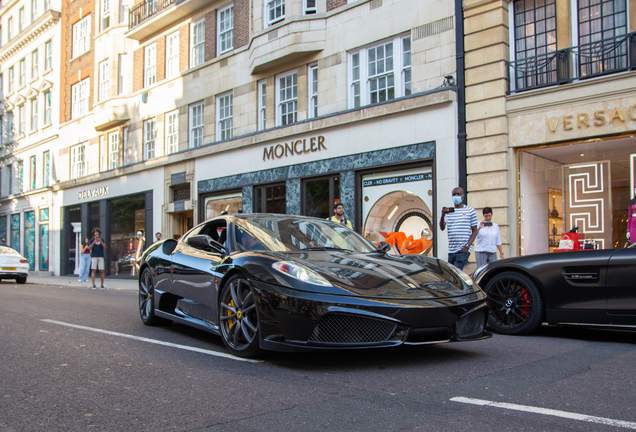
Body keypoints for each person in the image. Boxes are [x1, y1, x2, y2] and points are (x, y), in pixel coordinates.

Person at [440, 186, 478, 270]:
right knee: (452, 274)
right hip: (451, 249)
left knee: (456, 272)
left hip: (462, 249)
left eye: (458, 194)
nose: (456, 196)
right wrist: (443, 215)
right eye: (454, 194)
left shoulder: (470, 211)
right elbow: (442, 227)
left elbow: (475, 230)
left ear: (463, 196)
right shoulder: (449, 212)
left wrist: (467, 246)